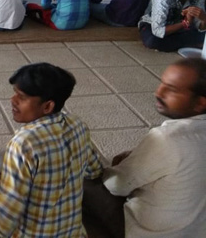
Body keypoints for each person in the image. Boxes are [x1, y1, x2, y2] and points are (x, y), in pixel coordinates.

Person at [0, 63, 103, 237]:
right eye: (15, 93)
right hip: (73, 233)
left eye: (22, 97)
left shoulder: (24, 144)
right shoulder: (77, 125)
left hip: (23, 233)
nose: (13, 100)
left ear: (47, 106)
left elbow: (1, 226)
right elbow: (95, 170)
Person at [84, 59, 206, 237]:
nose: (158, 92)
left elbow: (116, 186)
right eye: (162, 83)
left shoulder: (168, 139)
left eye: (172, 89)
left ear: (200, 103)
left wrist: (120, 165)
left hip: (153, 232)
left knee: (84, 177)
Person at [139, 0, 206, 52]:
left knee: (203, 36)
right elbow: (158, 31)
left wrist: (204, 18)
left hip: (179, 28)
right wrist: (185, 23)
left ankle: (183, 43)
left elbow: (199, 27)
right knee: (153, 41)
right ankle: (189, 43)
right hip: (153, 25)